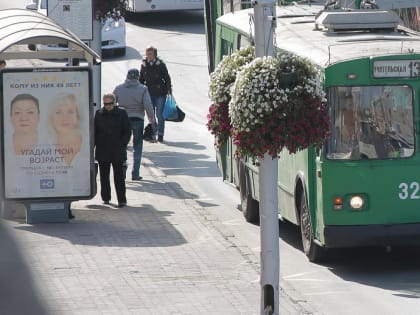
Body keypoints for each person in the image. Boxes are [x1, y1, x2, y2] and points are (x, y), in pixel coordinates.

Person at [113, 68, 155, 181]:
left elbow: (112, 104)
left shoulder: (118, 88)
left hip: (122, 120)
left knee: (123, 145)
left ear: (127, 76)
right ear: (137, 77)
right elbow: (148, 105)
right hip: (138, 119)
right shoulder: (143, 89)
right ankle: (135, 173)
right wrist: (152, 119)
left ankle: (123, 167)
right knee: (137, 146)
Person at [94, 93, 131, 207]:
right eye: (105, 104)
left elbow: (127, 130)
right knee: (104, 177)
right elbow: (95, 131)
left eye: (110, 104)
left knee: (119, 177)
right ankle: (106, 198)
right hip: (103, 149)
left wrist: (122, 143)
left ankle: (121, 200)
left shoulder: (121, 113)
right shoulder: (99, 114)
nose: (107, 106)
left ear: (114, 103)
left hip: (117, 150)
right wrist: (94, 146)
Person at [139, 45, 172, 143]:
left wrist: (169, 89)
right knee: (151, 115)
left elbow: (166, 77)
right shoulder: (144, 65)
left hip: (160, 92)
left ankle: (160, 134)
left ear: (155, 55)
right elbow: (141, 79)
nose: (148, 56)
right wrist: (139, 90)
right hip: (148, 93)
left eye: (150, 54)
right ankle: (153, 132)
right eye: (147, 54)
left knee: (159, 114)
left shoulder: (160, 64)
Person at [48, 92, 83, 166]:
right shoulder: (44, 145)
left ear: (78, 116)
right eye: (58, 112)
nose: (64, 118)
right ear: (51, 118)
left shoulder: (87, 144)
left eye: (70, 112)